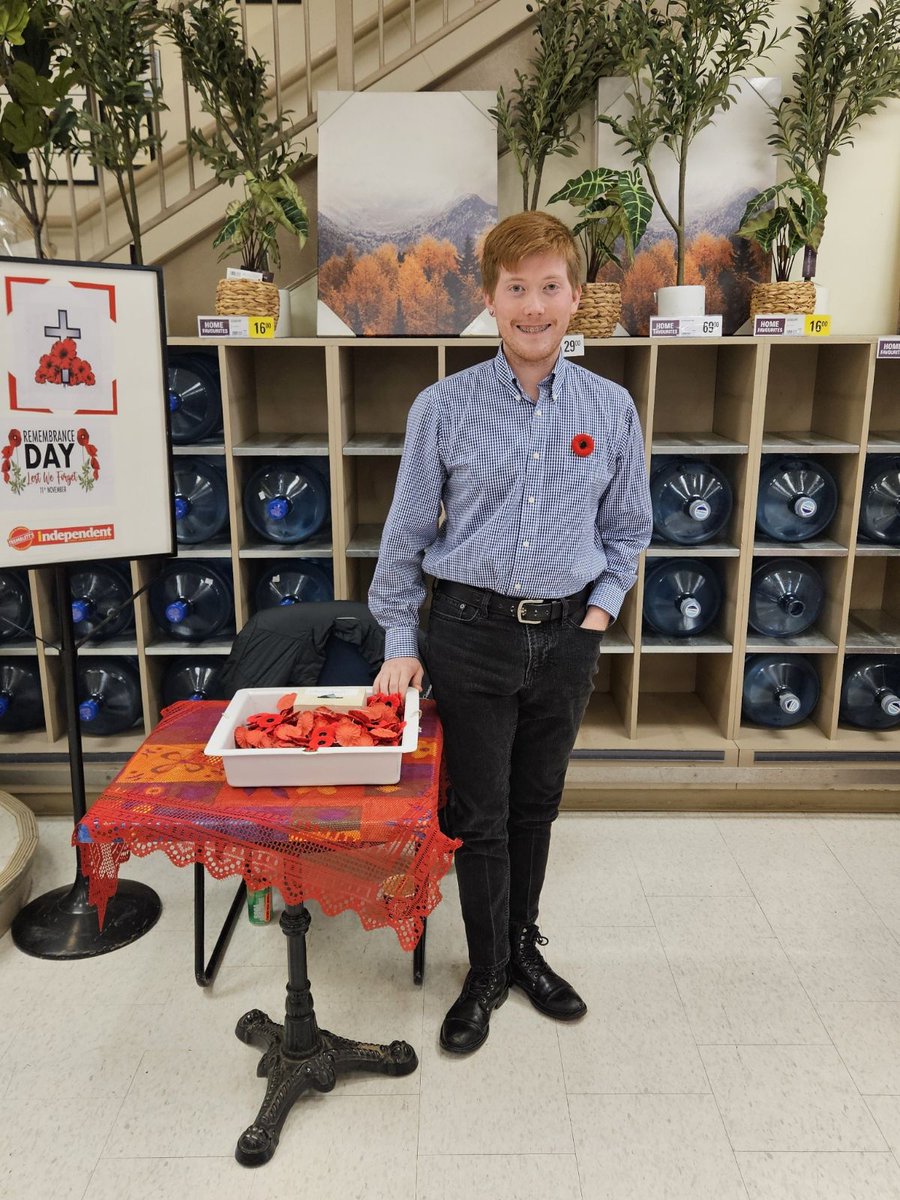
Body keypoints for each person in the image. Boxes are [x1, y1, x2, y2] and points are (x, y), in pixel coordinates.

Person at [369, 211, 652, 1054]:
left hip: (567, 639)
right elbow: (404, 536)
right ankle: (486, 969)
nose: (534, 306)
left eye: (550, 288)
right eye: (516, 289)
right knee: (478, 812)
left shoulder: (611, 407)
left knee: (536, 806)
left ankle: (525, 947)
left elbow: (629, 529)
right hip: (468, 634)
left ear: (574, 299)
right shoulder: (443, 407)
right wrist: (399, 644)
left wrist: (597, 616)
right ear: (490, 299)